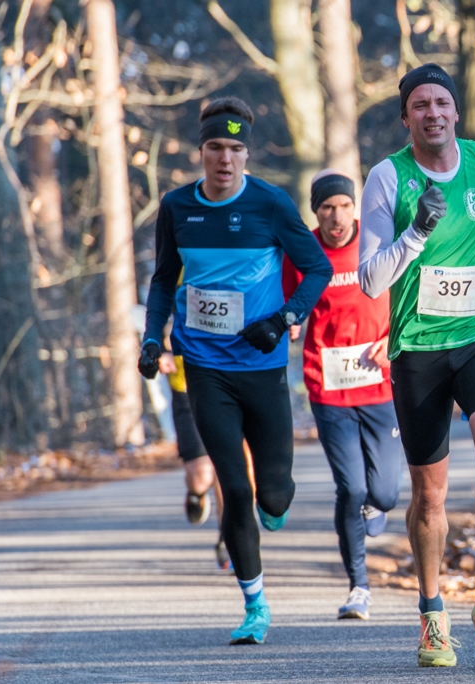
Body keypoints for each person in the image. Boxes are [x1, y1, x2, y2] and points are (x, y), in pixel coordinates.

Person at [138, 96, 332, 646]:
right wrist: (154, 339)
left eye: (236, 149)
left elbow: (316, 268)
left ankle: (275, 507)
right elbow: (162, 280)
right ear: (201, 152)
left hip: (264, 362)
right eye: (216, 148)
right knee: (235, 488)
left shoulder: (271, 204)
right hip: (204, 365)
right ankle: (254, 604)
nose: (225, 159)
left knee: (274, 493)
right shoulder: (178, 207)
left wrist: (286, 318)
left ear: (247, 154)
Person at [359, 63, 475, 667]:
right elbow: (369, 278)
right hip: (418, 346)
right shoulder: (387, 178)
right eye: (420, 105)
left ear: (455, 111)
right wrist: (416, 233)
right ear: (405, 117)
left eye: (442, 103)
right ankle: (432, 613)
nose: (433, 113)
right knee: (429, 496)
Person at [282, 169, 402, 621]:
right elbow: (288, 301)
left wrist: (393, 340)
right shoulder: (302, 251)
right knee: (350, 488)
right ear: (317, 212)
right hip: (327, 384)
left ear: (356, 208)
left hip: (379, 382)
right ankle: (358, 587)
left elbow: (406, 294)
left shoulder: (376, 241)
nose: (337, 216)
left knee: (385, 494)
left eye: (344, 206)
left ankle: (379, 502)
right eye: (327, 208)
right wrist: (289, 322)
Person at [158, 348, 231, 572]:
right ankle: (196, 493)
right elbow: (152, 319)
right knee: (201, 475)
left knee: (226, 470)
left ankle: (228, 539)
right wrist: (160, 351)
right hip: (186, 388)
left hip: (226, 381)